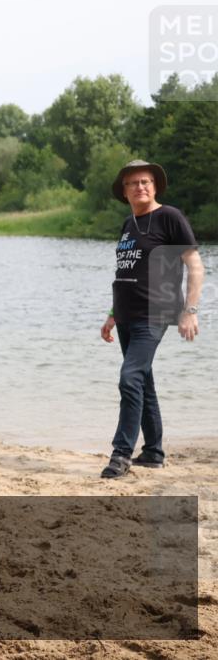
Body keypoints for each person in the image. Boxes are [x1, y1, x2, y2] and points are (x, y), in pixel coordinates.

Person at [99, 160, 204, 479]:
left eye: (146, 181)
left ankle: (121, 454)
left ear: (155, 186)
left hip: (154, 313)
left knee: (129, 378)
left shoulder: (169, 217)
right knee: (142, 380)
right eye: (133, 183)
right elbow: (127, 271)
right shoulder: (128, 224)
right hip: (126, 315)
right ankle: (154, 453)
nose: (140, 187)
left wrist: (190, 310)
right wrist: (112, 314)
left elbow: (195, 264)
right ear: (124, 191)